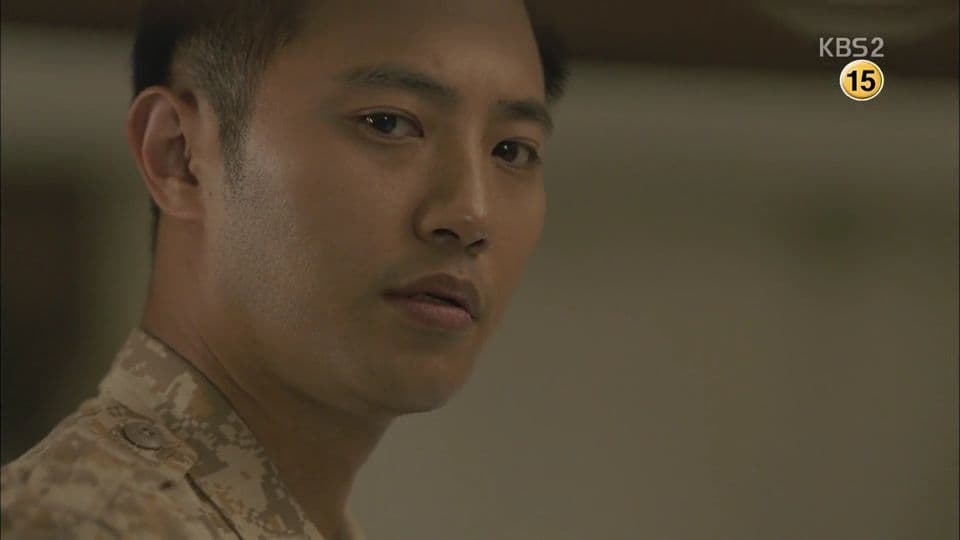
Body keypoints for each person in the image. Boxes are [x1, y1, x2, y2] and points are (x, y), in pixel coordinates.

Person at [0, 0, 568, 538]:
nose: (471, 214)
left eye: (512, 151)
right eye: (388, 122)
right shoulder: (83, 524)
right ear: (179, 155)